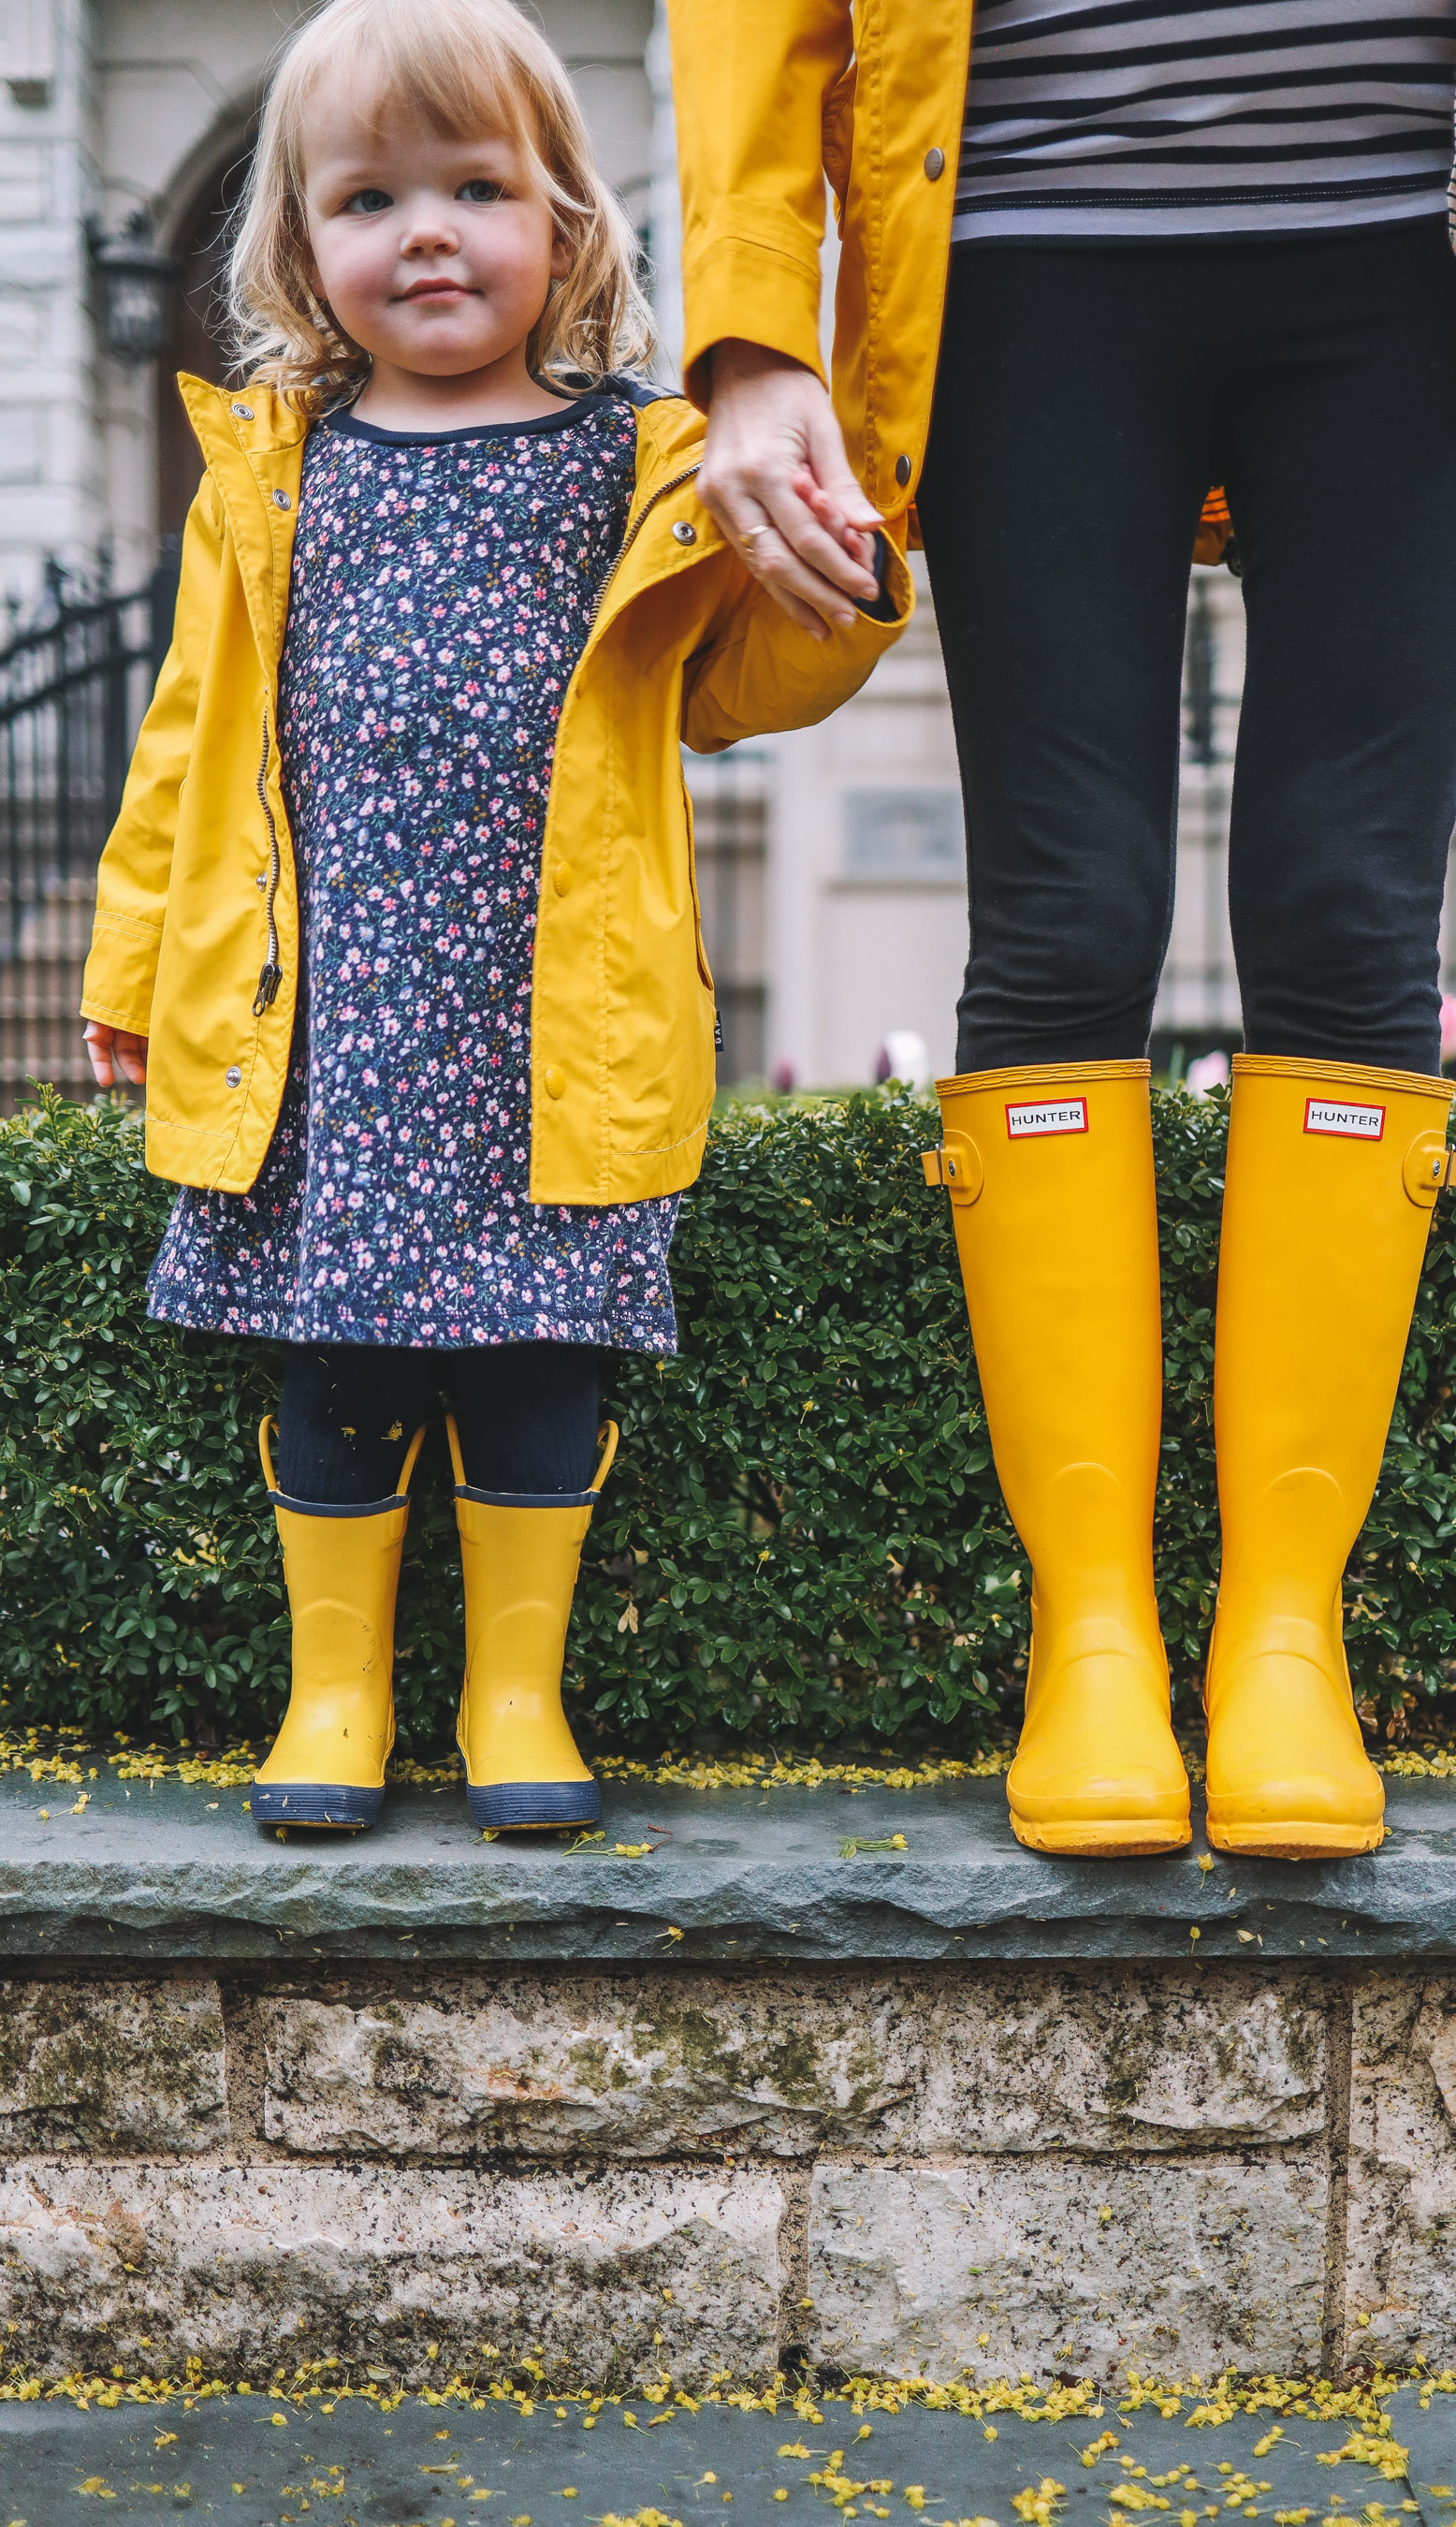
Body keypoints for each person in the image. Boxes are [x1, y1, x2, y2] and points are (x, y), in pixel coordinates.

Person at [669, 0, 1456, 1858]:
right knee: (1065, 912)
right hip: (1027, 230)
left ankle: (1285, 1637)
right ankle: (1097, 1635)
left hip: (1418, 226)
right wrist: (749, 329)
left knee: (1349, 904)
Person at [80, 0, 907, 1836]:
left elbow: (756, 677)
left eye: (477, 187)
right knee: (339, 1362)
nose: (428, 231)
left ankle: (518, 1699)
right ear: (301, 247)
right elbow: (183, 749)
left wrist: (845, 579)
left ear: (570, 225)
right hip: (337, 1020)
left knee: (544, 1357)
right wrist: (138, 964)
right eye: (371, 198)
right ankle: (336, 1698)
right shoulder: (272, 476)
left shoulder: (647, 461)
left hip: (548, 1020)